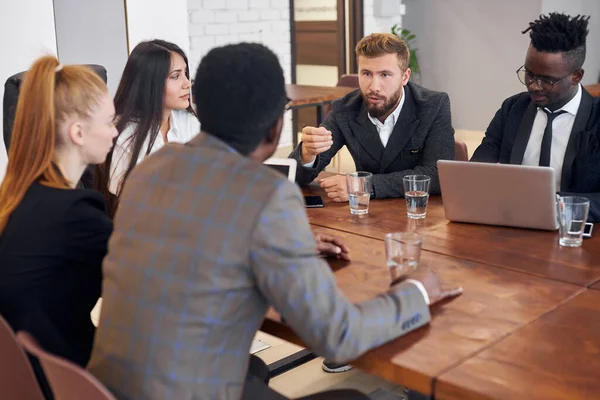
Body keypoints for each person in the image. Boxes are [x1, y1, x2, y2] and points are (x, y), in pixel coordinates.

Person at [88, 43, 461, 400]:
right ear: (275, 128)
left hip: (106, 385)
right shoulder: (267, 194)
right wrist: (418, 291)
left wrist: (284, 245)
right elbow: (340, 336)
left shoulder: (151, 168)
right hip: (186, 391)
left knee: (254, 372)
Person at [0, 56, 115, 367]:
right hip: (71, 375)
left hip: (25, 376)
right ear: (78, 133)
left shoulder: (15, 196)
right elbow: (145, 279)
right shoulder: (75, 212)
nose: (114, 133)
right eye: (109, 122)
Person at [289, 33, 455, 202]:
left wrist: (362, 185)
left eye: (385, 75)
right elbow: (293, 179)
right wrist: (307, 155)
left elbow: (437, 176)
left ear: (405, 77)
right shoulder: (344, 109)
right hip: (364, 217)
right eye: (367, 74)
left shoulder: (434, 105)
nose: (374, 87)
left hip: (419, 213)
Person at [471, 13, 600, 221]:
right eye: (529, 74)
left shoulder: (597, 118)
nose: (533, 85)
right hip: (508, 226)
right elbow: (477, 171)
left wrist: (551, 204)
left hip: (573, 235)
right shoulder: (513, 109)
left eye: (546, 80)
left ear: (576, 76)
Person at [94, 39, 200, 217]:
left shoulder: (189, 122)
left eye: (185, 73)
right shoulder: (123, 134)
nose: (187, 83)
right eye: (175, 76)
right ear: (151, 83)